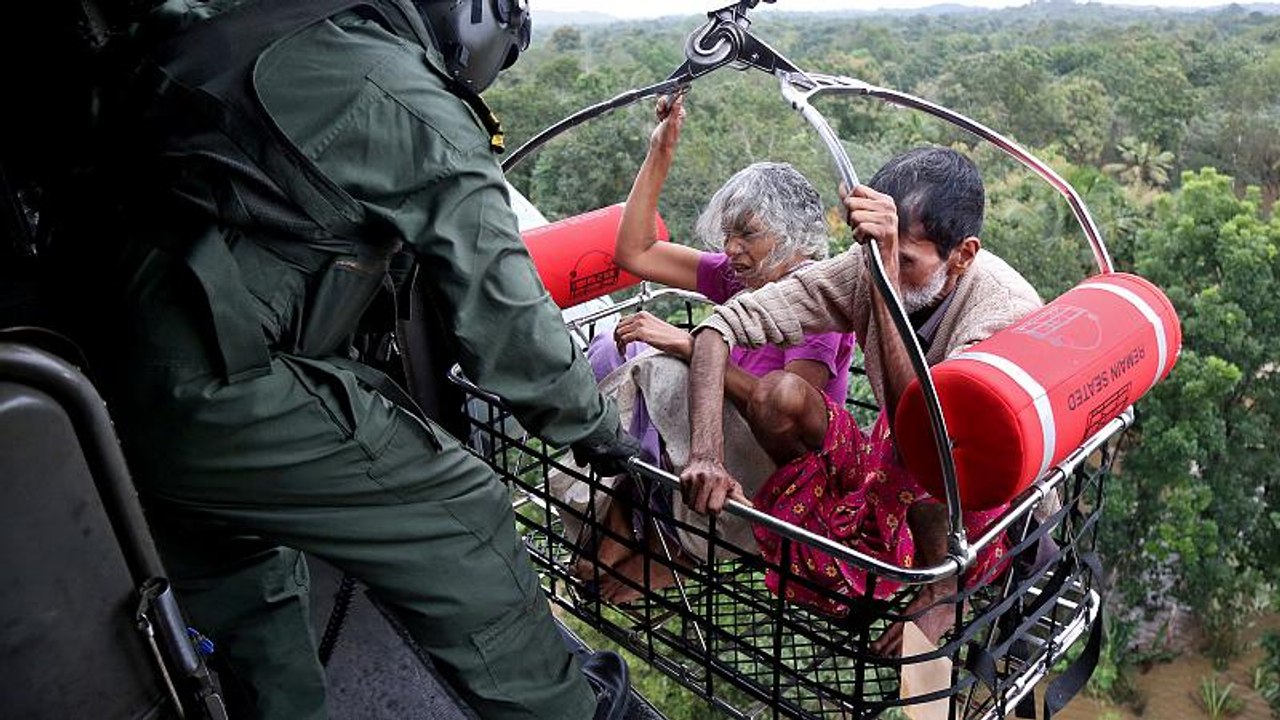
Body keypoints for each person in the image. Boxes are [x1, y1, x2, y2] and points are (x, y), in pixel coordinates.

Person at [94, 1, 635, 719]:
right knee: (462, 516)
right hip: (213, 383)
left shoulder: (265, 27)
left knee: (249, 581)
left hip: (106, 370)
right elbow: (513, 326)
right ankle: (571, 711)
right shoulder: (404, 97)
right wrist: (598, 430)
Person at [679, 147, 1042, 655]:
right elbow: (721, 326)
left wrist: (885, 285)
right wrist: (706, 454)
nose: (881, 267)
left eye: (906, 261)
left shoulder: (1003, 311)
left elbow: (930, 437)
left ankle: (943, 586)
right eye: (874, 254)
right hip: (895, 451)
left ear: (961, 256)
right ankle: (827, 523)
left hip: (968, 480)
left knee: (939, 468)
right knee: (777, 394)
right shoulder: (868, 264)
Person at [579, 93, 856, 602]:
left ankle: (675, 546)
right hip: (695, 444)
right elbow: (635, 251)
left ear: (792, 234)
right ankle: (639, 501)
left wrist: (686, 346)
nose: (731, 249)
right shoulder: (740, 280)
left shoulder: (819, 304)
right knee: (610, 342)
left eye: (747, 234)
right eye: (727, 235)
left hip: (762, 468)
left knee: (657, 360)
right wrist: (660, 151)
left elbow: (783, 412)